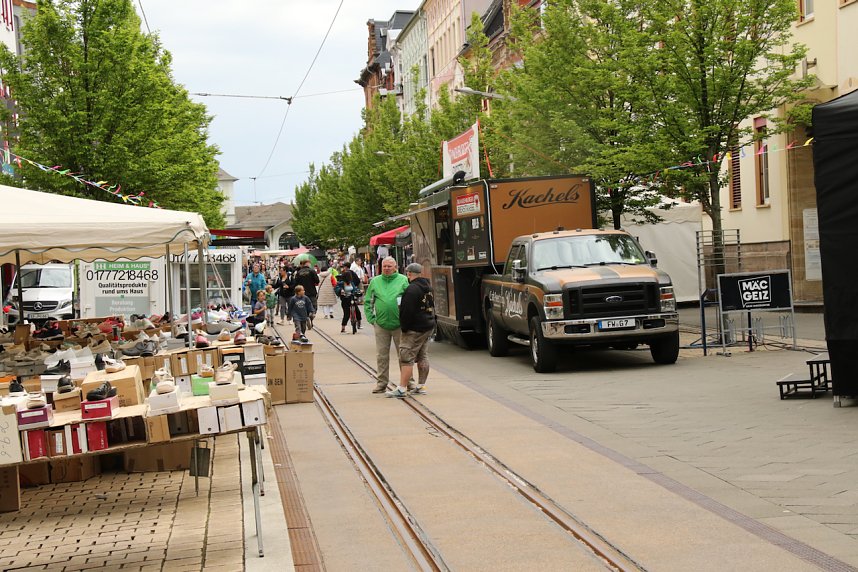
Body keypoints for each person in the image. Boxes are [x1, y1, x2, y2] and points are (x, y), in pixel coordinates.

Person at [387, 263, 435, 398]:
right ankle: (420, 386)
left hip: (414, 328)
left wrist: (404, 327)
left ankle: (402, 388)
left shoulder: (411, 289)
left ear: (408, 273)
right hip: (427, 325)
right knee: (423, 356)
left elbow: (406, 312)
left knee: (406, 357)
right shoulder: (428, 287)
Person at [363, 256, 409, 393]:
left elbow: (410, 300)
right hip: (381, 325)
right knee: (381, 356)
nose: (387, 268)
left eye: (389, 266)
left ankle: (408, 382)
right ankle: (381, 383)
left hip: (400, 325)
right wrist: (372, 319)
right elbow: (368, 301)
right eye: (384, 266)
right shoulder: (375, 282)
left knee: (404, 355)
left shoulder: (403, 280)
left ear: (395, 267)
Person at [335, 268, 362, 333]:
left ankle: (359, 323)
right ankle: (343, 327)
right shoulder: (341, 283)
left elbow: (355, 289)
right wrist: (340, 291)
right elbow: (337, 288)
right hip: (345, 300)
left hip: (352, 299)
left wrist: (359, 291)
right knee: (346, 314)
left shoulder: (351, 283)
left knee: (358, 311)